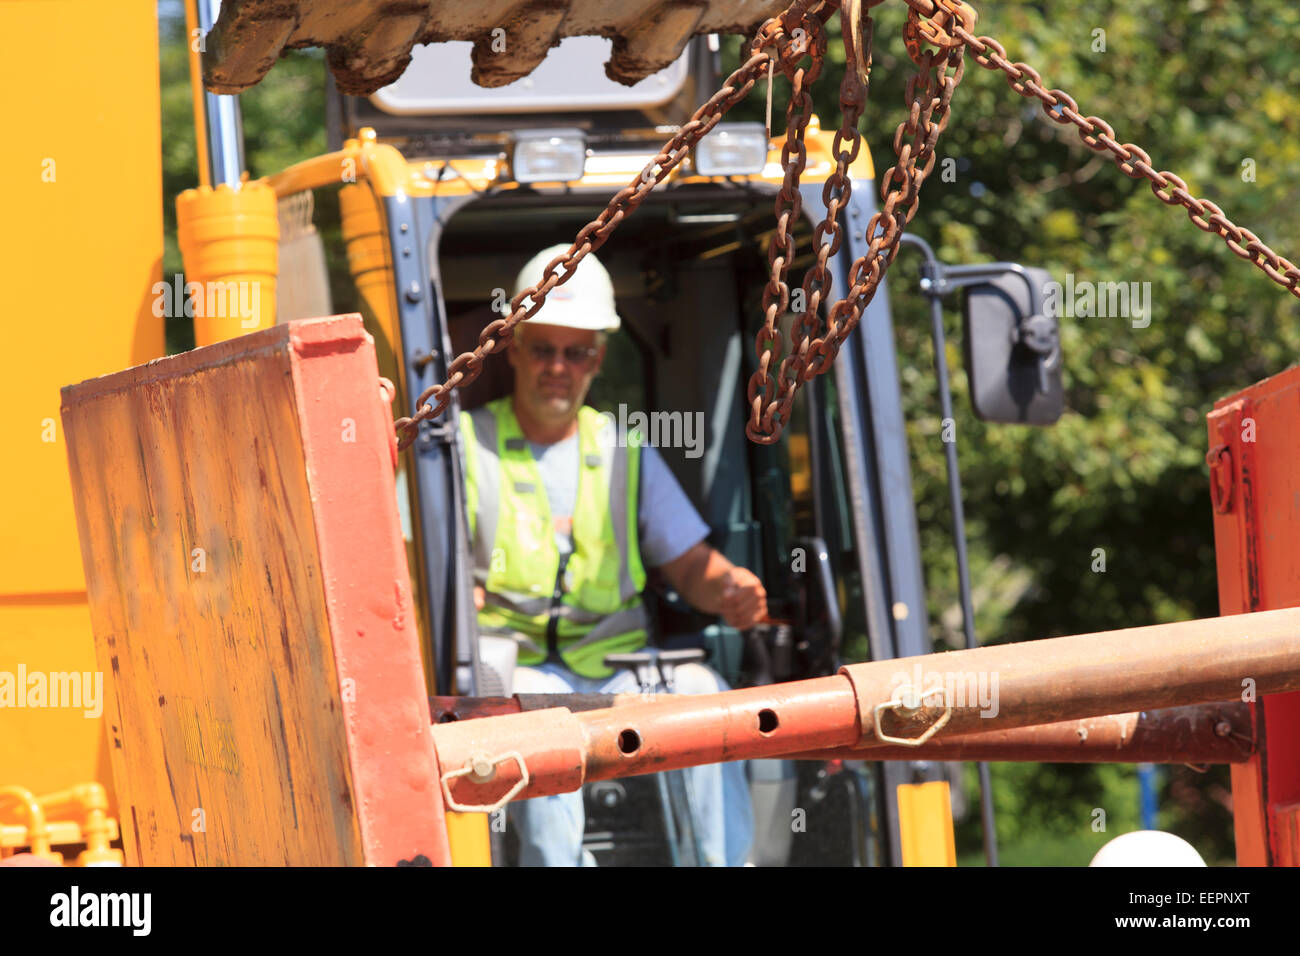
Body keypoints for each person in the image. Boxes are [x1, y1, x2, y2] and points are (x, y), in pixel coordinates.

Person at [459, 243, 767, 866]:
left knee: (705, 695)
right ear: (514, 348)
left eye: (576, 353)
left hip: (616, 664)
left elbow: (690, 566)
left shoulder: (625, 449)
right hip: (513, 671)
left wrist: (731, 587)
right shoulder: (465, 444)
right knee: (540, 734)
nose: (558, 367)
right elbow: (414, 574)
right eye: (543, 348)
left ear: (597, 360)